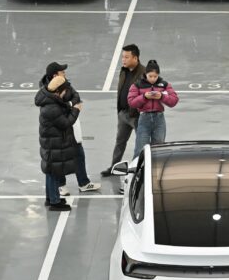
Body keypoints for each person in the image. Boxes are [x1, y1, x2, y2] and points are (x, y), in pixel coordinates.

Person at [38, 62, 100, 195]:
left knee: (79, 153)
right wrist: (71, 106)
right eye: (62, 72)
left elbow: (76, 96)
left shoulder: (64, 83)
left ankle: (83, 182)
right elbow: (64, 106)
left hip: (71, 126)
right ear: (55, 75)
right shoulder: (47, 90)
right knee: (58, 157)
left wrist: (68, 104)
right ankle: (61, 185)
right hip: (60, 130)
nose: (65, 74)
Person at [35, 75, 82, 211]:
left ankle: (50, 198)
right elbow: (65, 123)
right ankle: (55, 202)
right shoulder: (51, 107)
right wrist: (76, 110)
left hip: (51, 143)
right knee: (54, 172)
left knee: (51, 172)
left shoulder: (49, 101)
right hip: (54, 144)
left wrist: (70, 106)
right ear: (58, 92)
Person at [100, 44, 146, 176]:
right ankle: (113, 167)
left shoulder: (143, 74)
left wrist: (139, 112)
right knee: (119, 142)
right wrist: (120, 111)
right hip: (123, 114)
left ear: (135, 58)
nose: (123, 60)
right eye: (122, 57)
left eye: (126, 57)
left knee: (141, 145)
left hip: (137, 116)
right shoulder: (123, 71)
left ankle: (138, 170)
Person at [128, 60, 179, 159]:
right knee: (140, 150)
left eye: (155, 76)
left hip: (159, 119)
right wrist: (144, 97)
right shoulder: (137, 85)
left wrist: (161, 97)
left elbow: (174, 101)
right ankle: (137, 172)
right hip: (144, 119)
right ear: (146, 74)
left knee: (159, 149)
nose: (153, 79)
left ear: (158, 75)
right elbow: (131, 102)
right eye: (150, 76)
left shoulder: (164, 85)